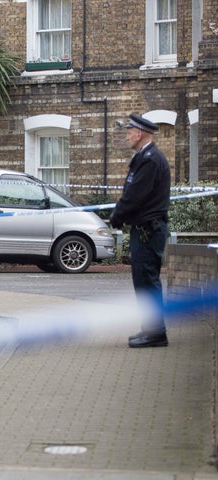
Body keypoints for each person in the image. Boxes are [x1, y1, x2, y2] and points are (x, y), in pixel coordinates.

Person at [110, 113, 171, 348]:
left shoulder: (150, 159)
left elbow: (136, 195)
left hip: (149, 229)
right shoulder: (145, 157)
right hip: (146, 228)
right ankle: (151, 329)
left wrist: (117, 216)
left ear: (140, 133)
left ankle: (156, 333)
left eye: (129, 132)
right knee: (143, 280)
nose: (126, 136)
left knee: (147, 280)